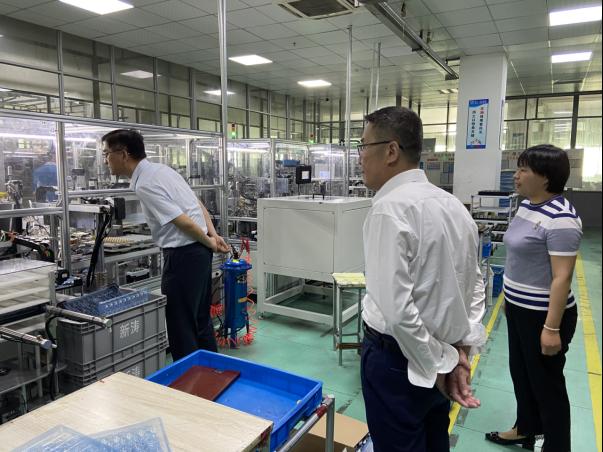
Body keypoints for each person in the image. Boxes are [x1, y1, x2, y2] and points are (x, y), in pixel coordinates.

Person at [359, 106, 486, 452]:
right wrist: (460, 352)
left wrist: (440, 362)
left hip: (397, 362)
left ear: (391, 151)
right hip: (440, 354)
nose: (360, 157)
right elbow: (475, 286)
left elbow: (397, 310)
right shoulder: (453, 206)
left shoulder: (388, 209)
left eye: (364, 146)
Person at [102, 129, 229, 361]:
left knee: (180, 325)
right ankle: (212, 370)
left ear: (124, 154)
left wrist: (210, 240)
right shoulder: (163, 170)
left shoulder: (145, 184)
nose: (105, 160)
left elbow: (183, 221)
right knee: (200, 319)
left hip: (183, 256)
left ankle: (189, 378)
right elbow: (197, 204)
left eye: (107, 153)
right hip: (199, 253)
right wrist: (212, 235)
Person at [486, 145, 582, 452]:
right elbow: (520, 258)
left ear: (545, 178)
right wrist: (509, 300)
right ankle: (525, 429)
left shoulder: (562, 218)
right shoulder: (527, 206)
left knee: (547, 386)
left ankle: (557, 446)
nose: (516, 175)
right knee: (522, 375)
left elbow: (562, 277)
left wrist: (551, 328)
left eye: (523, 170)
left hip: (544, 315)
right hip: (519, 309)